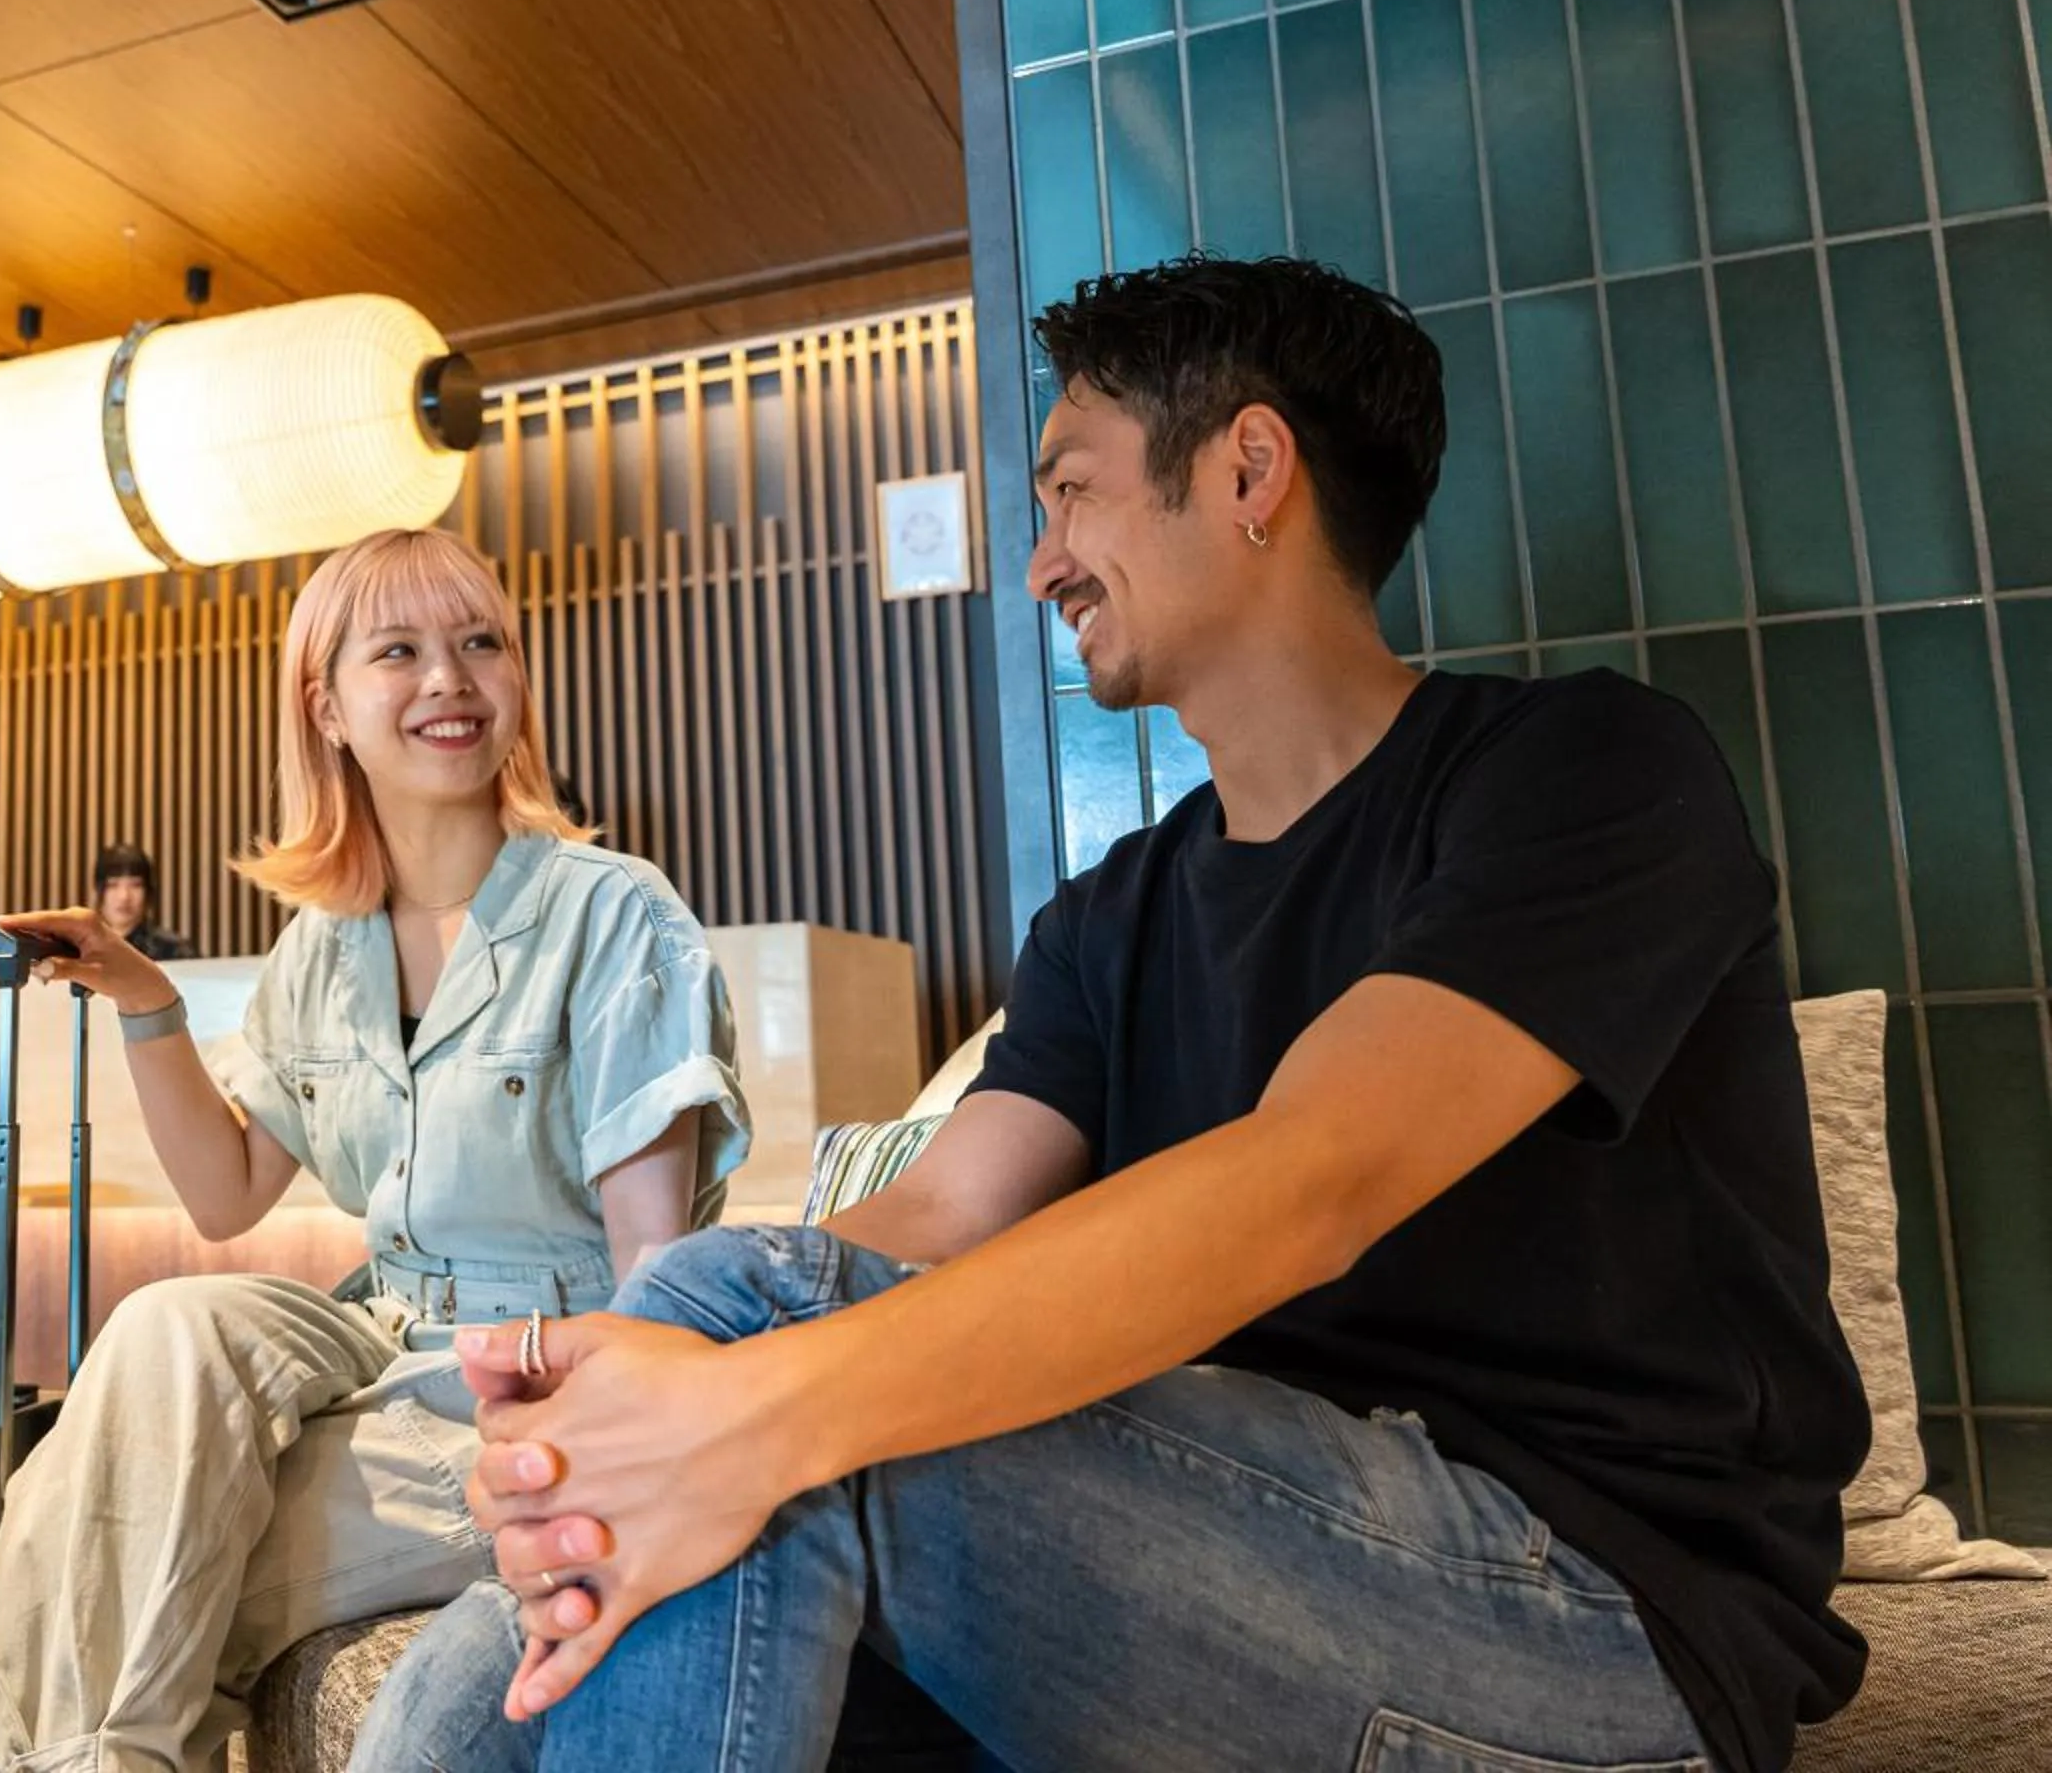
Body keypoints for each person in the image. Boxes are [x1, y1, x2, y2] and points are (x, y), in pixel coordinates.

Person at [355, 256, 1869, 1773]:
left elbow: (1315, 1176)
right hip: (1216, 1586)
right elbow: (941, 1213)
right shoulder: (1110, 916)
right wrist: (633, 1381)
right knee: (518, 1628)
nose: (1040, 565)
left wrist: (747, 1385)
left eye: (1072, 490)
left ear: (1250, 471)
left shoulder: (1584, 773)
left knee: (753, 1380)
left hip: (1589, 1628)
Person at [0, 525, 752, 1773]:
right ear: (326, 707)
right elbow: (226, 1194)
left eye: (481, 641)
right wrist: (144, 999)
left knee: (77, 1527)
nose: (450, 677)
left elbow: (654, 1280)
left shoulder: (614, 912)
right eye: (398, 651)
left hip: (539, 1374)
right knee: (171, 1324)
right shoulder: (322, 945)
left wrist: (603, 1465)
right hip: (378, 1343)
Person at [92, 842, 200, 961]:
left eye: (135, 885)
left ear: (148, 891)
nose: (124, 896)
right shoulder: (83, 949)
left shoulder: (176, 950)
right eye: (113, 885)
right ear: (99, 891)